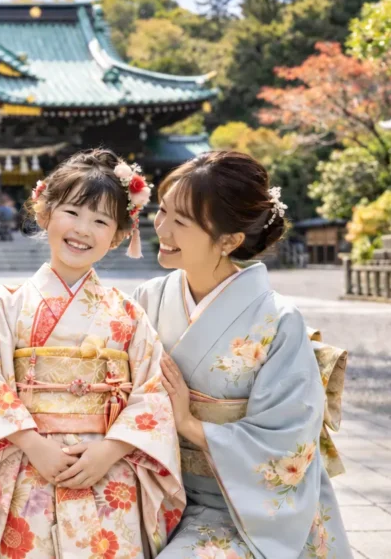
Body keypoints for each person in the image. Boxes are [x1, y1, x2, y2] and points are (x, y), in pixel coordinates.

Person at [0, 150, 184, 559]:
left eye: (101, 221)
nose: (83, 229)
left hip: (105, 468)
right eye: (72, 212)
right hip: (24, 463)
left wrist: (112, 449)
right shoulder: (6, 305)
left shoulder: (130, 314)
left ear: (118, 235)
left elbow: (153, 391)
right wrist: (33, 443)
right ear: (45, 212)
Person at [133, 151, 350, 559]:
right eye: (161, 211)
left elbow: (288, 445)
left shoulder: (277, 321)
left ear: (229, 241)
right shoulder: (148, 298)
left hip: (245, 508)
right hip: (157, 490)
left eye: (180, 222)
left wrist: (186, 422)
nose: (161, 228)